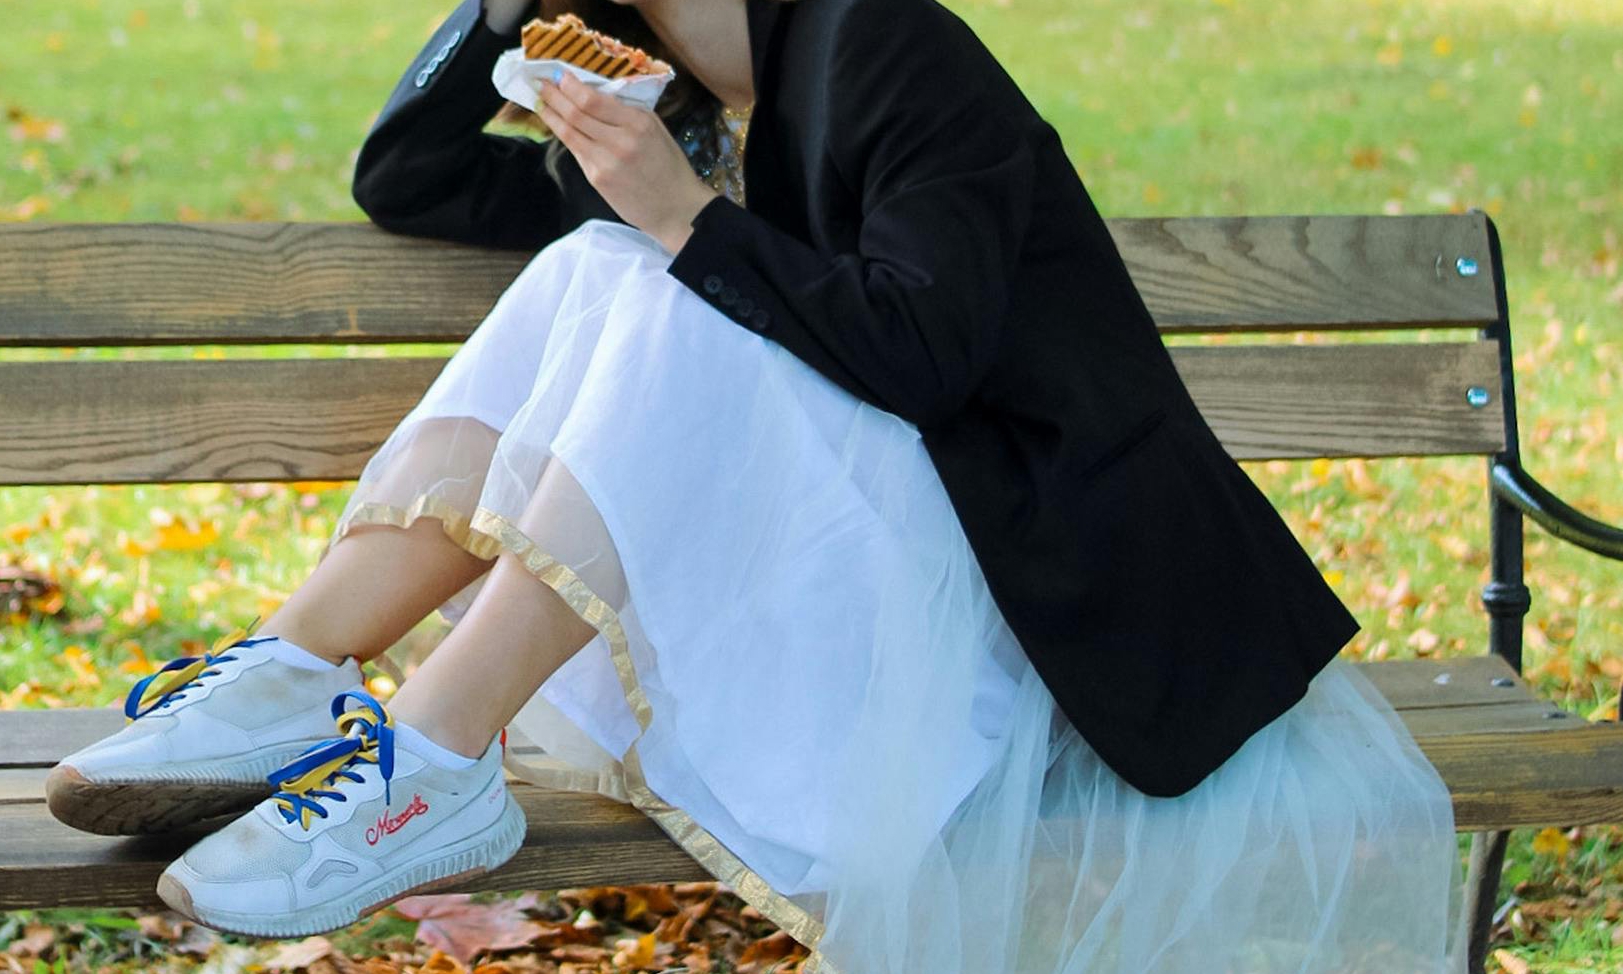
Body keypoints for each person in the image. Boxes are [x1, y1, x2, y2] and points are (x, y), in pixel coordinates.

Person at [46, 0, 1468, 969]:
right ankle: (305, 669)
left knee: (651, 274)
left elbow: (927, 352)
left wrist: (688, 218)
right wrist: (498, 31)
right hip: (835, 597)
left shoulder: (890, 44)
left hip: (1037, 619)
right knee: (598, 262)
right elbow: (410, 181)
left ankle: (430, 756)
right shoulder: (670, 101)